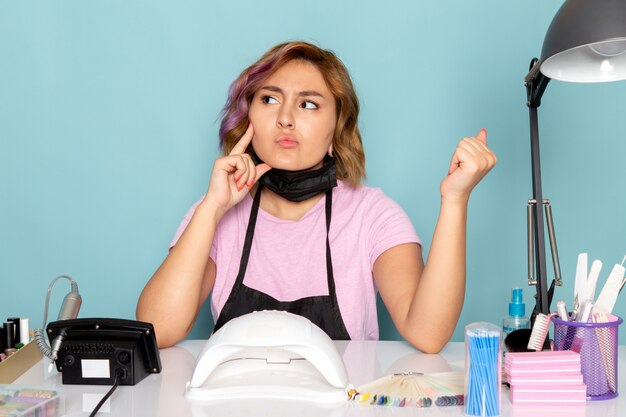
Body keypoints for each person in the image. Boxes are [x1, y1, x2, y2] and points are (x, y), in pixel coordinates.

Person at [136, 41, 496, 353]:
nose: (286, 119)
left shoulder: (372, 214)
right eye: (269, 99)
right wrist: (212, 208)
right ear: (249, 119)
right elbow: (158, 328)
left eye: (308, 104)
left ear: (337, 129)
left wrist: (454, 199)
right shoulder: (214, 213)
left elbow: (428, 335)